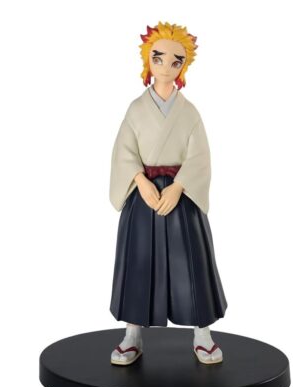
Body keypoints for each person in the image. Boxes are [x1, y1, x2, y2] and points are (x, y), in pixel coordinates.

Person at [109, 22, 228, 366]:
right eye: (158, 58)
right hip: (143, 196)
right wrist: (140, 180)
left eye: (176, 61)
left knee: (191, 262)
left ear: (183, 66)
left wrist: (179, 186)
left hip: (181, 197)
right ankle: (132, 333)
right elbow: (123, 152)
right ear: (147, 59)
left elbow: (200, 156)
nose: (165, 67)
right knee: (138, 262)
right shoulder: (136, 109)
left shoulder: (188, 113)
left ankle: (202, 333)